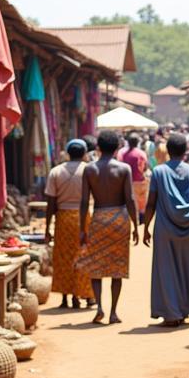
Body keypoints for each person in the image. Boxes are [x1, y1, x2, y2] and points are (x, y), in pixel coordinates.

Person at [77, 128, 139, 324]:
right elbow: (129, 198)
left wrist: (82, 228)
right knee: (117, 267)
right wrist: (136, 225)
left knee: (96, 266)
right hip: (119, 219)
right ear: (117, 147)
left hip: (99, 219)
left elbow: (84, 201)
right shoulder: (123, 169)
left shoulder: (89, 169)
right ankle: (113, 312)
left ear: (98, 147)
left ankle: (100, 308)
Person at [144, 131, 189, 327]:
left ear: (167, 151)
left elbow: (151, 202)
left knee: (167, 270)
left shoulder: (159, 172)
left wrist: (145, 227)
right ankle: (185, 309)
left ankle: (172, 313)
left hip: (165, 229)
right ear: (185, 150)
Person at [45, 139, 95, 309]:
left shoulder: (55, 172)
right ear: (84, 154)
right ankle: (86, 295)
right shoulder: (89, 170)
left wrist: (47, 228)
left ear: (67, 153)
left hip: (63, 218)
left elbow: (50, 203)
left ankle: (66, 297)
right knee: (84, 255)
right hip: (83, 217)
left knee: (63, 257)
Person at [118, 133, 150, 220]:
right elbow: (146, 167)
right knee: (142, 201)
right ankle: (142, 218)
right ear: (137, 142)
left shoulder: (122, 153)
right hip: (140, 181)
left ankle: (133, 219)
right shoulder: (142, 153)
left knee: (130, 201)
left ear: (128, 142)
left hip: (127, 182)